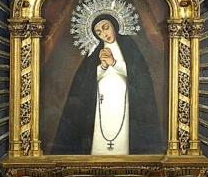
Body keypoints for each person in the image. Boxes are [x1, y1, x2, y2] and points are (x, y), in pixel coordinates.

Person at [52, 14, 163, 155]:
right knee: (100, 136)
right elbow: (85, 82)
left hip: (124, 102)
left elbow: (139, 75)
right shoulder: (96, 52)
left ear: (114, 26)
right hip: (102, 104)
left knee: (122, 138)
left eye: (106, 28)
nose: (104, 34)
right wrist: (103, 66)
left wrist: (114, 63)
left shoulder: (129, 45)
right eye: (99, 32)